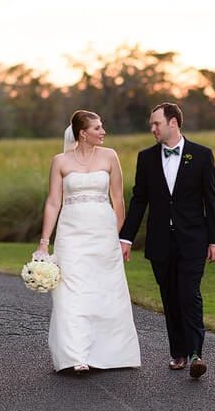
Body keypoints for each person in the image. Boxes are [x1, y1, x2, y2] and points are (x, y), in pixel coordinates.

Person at [119, 102, 215, 379]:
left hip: (193, 239)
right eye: (152, 124)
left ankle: (195, 354)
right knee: (170, 297)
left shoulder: (201, 155)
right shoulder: (146, 158)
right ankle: (177, 351)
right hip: (160, 242)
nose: (152, 128)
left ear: (173, 123)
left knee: (189, 294)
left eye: (157, 123)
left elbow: (210, 200)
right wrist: (126, 237)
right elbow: (139, 201)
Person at [35, 110, 142, 373]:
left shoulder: (110, 156)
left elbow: (118, 200)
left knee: (106, 290)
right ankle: (75, 355)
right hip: (71, 234)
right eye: (97, 128)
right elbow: (53, 202)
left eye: (102, 127)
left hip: (103, 233)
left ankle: (113, 353)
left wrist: (119, 237)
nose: (103, 132)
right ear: (83, 133)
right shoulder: (60, 161)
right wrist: (43, 242)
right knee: (70, 291)